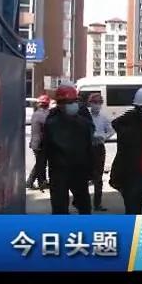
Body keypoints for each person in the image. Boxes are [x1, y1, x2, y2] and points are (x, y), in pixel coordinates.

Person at [42, 85, 93, 214]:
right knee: (60, 207)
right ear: (60, 104)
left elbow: (89, 148)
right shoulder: (51, 123)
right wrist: (41, 174)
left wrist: (91, 171)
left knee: (84, 205)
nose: (73, 105)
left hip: (79, 170)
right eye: (69, 102)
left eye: (74, 101)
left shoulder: (83, 122)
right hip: (59, 172)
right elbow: (44, 151)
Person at [88, 93, 114, 211]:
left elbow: (111, 131)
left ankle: (97, 203)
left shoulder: (103, 117)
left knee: (98, 177)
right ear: (90, 103)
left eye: (99, 103)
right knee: (84, 176)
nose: (97, 105)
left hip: (99, 148)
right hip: (87, 148)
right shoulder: (86, 116)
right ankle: (78, 201)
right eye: (95, 102)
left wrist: (103, 137)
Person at [26, 94, 51, 191]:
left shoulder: (36, 113)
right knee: (40, 164)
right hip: (40, 144)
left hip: (36, 143)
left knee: (41, 164)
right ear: (47, 104)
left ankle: (42, 182)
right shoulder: (44, 115)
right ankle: (30, 182)